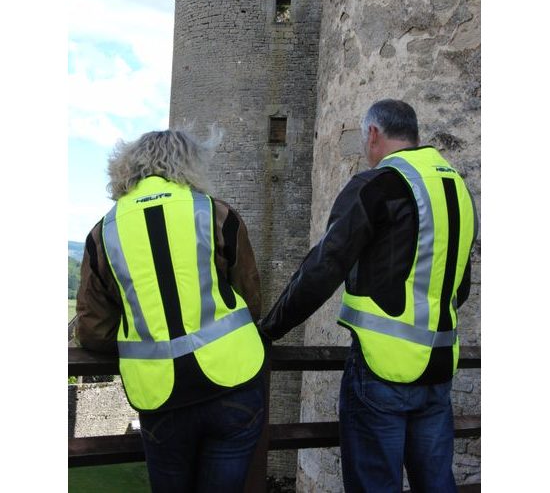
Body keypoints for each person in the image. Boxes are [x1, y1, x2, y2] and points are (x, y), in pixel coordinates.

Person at [258, 99, 478, 493]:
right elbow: (459, 287)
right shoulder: (457, 189)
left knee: (375, 485)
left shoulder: (376, 183)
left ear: (374, 134)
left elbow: (323, 268)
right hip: (439, 366)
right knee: (437, 484)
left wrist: (270, 328)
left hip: (381, 369)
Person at [75, 128, 266, 493]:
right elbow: (251, 300)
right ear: (189, 163)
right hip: (234, 382)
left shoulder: (103, 233)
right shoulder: (215, 213)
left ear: (127, 169)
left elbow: (94, 332)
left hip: (161, 395)